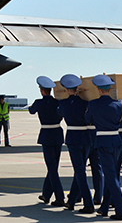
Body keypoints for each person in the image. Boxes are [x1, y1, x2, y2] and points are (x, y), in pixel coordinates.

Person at [84, 74, 122, 220]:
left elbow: (87, 119)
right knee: (113, 175)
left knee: (110, 177)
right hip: (116, 141)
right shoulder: (118, 104)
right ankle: (104, 208)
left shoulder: (93, 104)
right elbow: (121, 122)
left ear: (98, 89)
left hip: (103, 141)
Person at [57, 74, 95, 214]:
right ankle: (72, 200)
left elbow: (59, 113)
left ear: (67, 90)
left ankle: (88, 204)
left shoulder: (63, 104)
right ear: (77, 89)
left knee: (80, 171)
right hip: (86, 137)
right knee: (79, 171)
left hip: (73, 138)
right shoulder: (85, 103)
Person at [29, 76, 66, 207]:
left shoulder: (39, 102)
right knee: (53, 166)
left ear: (41, 90)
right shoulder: (58, 102)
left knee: (51, 167)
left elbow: (31, 111)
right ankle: (46, 194)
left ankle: (60, 197)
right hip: (57, 134)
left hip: (47, 135)